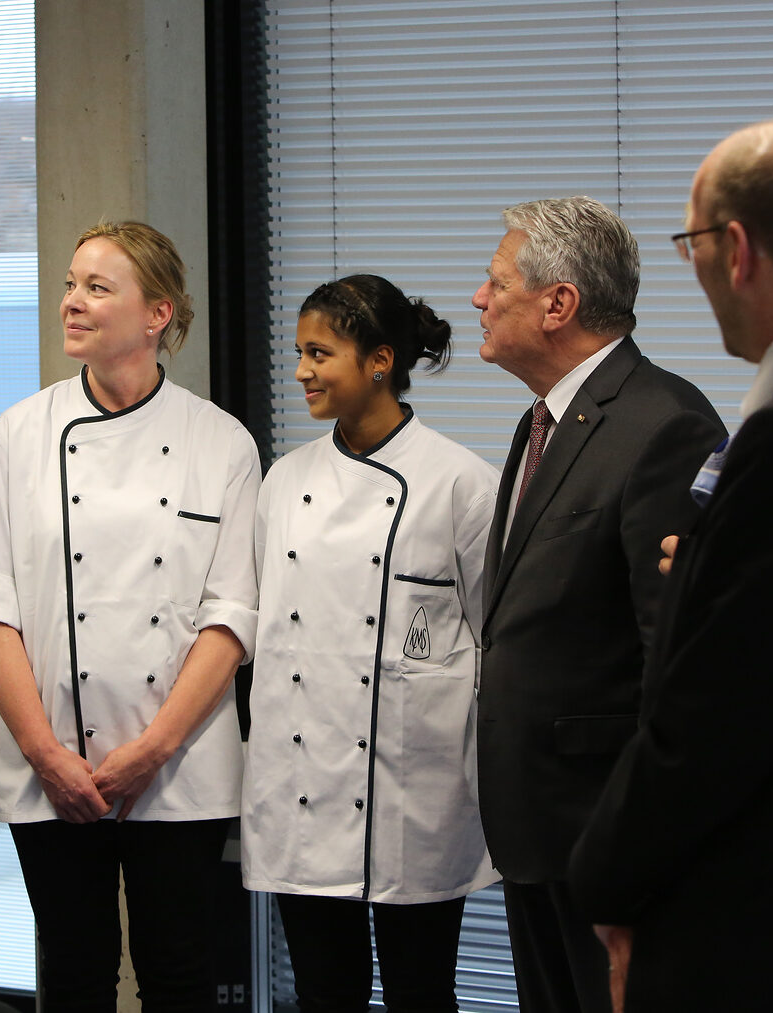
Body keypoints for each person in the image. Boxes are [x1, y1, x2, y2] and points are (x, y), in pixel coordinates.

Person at [568, 119, 773, 1011]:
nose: (698, 269)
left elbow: (722, 719)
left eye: (693, 244)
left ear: (738, 248)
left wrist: (604, 882)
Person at [0, 221, 260, 1010]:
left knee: (178, 975)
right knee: (75, 975)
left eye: (97, 287)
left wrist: (153, 748)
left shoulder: (219, 442)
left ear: (158, 314)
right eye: (69, 284)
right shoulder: (15, 436)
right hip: (49, 765)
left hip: (179, 767)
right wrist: (44, 752)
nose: (72, 303)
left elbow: (231, 618)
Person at [470, 196, 725, 1013]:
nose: (479, 298)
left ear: (559, 303)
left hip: (605, 835)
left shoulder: (665, 422)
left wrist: (645, 849)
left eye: (496, 280)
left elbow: (675, 657)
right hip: (533, 826)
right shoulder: (540, 421)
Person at [241, 275, 499, 1012]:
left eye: (320, 352)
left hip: (413, 791)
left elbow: (493, 642)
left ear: (380, 359)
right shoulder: (284, 483)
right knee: (325, 995)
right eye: (298, 352)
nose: (301, 371)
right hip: (300, 790)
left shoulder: (462, 484)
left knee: (423, 993)